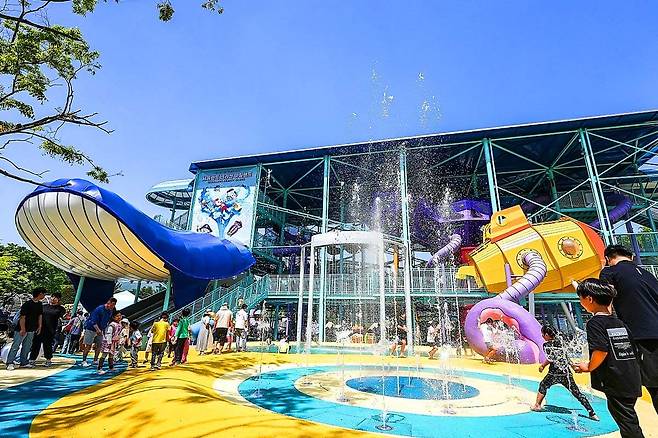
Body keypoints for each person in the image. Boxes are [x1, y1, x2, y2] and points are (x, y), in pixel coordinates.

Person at [573, 279, 644, 438]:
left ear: (589, 299)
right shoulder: (619, 323)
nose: (581, 302)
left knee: (628, 424)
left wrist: (588, 367)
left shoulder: (594, 323)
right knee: (628, 419)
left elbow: (601, 350)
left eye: (580, 298)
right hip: (630, 377)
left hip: (615, 380)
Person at [599, 244, 658, 413]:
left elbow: (605, 304)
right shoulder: (648, 275)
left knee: (652, 386)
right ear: (631, 257)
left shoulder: (609, 272)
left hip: (641, 336)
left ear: (608, 259)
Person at [531, 325, 598, 420]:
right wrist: (573, 366)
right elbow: (565, 356)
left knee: (543, 385)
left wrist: (543, 365)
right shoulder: (561, 342)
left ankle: (537, 405)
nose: (542, 336)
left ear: (546, 335)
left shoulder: (547, 345)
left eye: (543, 335)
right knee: (577, 393)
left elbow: (551, 358)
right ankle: (592, 413)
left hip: (554, 373)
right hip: (566, 372)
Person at [6, 288, 45, 370]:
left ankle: (24, 362)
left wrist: (40, 326)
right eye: (43, 293)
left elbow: (40, 315)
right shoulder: (27, 304)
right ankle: (10, 362)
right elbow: (22, 317)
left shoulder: (39, 304)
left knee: (27, 346)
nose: (44, 295)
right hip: (21, 328)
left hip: (32, 329)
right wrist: (23, 329)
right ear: (40, 294)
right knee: (16, 346)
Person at [29, 292, 66, 367]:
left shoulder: (61, 309)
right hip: (39, 328)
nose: (53, 299)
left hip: (50, 330)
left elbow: (62, 316)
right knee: (36, 344)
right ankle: (32, 359)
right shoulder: (44, 306)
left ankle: (48, 360)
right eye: (52, 297)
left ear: (59, 299)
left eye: (55, 297)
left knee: (47, 345)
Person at [81, 298, 117, 367]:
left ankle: (95, 360)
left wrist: (104, 330)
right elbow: (93, 321)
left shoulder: (110, 311)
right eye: (112, 305)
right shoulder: (99, 309)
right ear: (108, 303)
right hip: (91, 329)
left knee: (99, 345)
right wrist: (98, 330)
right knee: (88, 345)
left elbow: (107, 321)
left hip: (101, 330)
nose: (113, 307)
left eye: (114, 305)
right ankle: (84, 361)